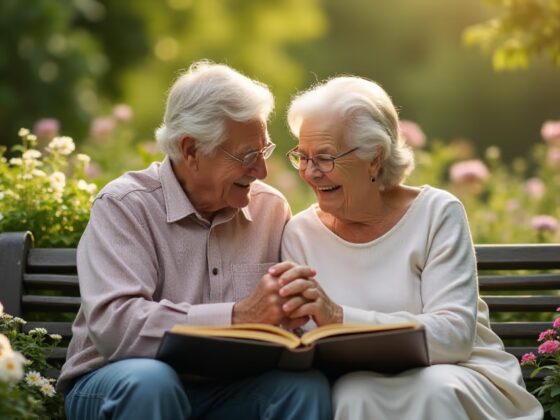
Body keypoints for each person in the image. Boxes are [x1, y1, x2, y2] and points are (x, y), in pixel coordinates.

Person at [58, 61, 331, 420]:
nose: (262, 171)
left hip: (225, 388)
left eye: (262, 152)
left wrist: (295, 315)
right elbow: (117, 326)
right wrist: (237, 317)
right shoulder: (124, 206)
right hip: (117, 381)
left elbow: (285, 324)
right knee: (152, 382)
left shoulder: (270, 209)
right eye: (247, 156)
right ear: (190, 150)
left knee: (304, 388)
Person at [278, 76, 543, 419]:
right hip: (360, 381)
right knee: (353, 393)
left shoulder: (436, 213)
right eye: (302, 156)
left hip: (461, 371)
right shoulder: (300, 233)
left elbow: (452, 337)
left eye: (325, 158)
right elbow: (306, 343)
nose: (310, 172)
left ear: (374, 158)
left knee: (433, 388)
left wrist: (339, 318)